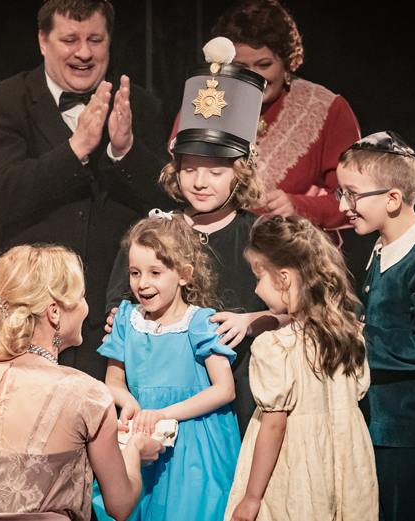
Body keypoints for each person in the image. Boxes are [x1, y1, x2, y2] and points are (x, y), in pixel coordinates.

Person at [0, 0, 171, 380]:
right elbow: (4, 196)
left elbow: (166, 206)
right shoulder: (4, 102)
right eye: (70, 40)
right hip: (28, 320)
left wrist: (126, 151)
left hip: (116, 322)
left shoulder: (141, 105)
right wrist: (75, 148)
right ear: (43, 41)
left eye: (95, 40)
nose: (84, 53)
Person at [105, 38, 286, 436]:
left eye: (216, 172)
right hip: (159, 396)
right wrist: (120, 318)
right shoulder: (156, 231)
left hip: (238, 395)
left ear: (240, 174)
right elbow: (119, 302)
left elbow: (304, 309)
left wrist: (252, 321)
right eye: (189, 170)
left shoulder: (260, 235)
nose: (200, 182)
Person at [0, 245, 164, 521]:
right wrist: (135, 450)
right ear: (54, 312)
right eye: (81, 297)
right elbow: (120, 506)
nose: (86, 308)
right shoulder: (86, 394)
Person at [335, 131, 415, 521]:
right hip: (385, 425)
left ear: (392, 198)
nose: (342, 206)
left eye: (352, 195)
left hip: (414, 432)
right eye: (341, 193)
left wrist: (359, 340)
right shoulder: (383, 247)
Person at [225, 215, 378, 521]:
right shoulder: (349, 335)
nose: (256, 291)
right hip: (346, 467)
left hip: (298, 470)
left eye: (259, 277)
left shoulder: (276, 347)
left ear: (284, 279)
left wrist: (252, 498)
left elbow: (274, 426)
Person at [93, 212, 241, 521]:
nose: (143, 283)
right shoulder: (126, 319)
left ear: (184, 274)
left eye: (155, 273)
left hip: (194, 444)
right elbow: (113, 381)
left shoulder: (199, 322)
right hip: (143, 433)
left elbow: (224, 390)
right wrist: (130, 403)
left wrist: (163, 413)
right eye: (135, 273)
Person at [171, 0, 359, 240]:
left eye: (264, 65)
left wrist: (299, 207)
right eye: (241, 66)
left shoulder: (329, 109)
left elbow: (355, 198)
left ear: (287, 62)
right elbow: (176, 174)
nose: (254, 77)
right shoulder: (208, 98)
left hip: (294, 250)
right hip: (214, 243)